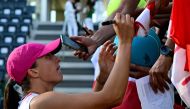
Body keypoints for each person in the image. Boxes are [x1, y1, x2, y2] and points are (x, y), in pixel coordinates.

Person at [4, 13, 135, 109]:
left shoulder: (35, 102)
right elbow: (112, 97)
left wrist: (101, 80)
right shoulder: (42, 102)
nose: (58, 59)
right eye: (49, 56)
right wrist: (125, 41)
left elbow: (98, 104)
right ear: (33, 72)